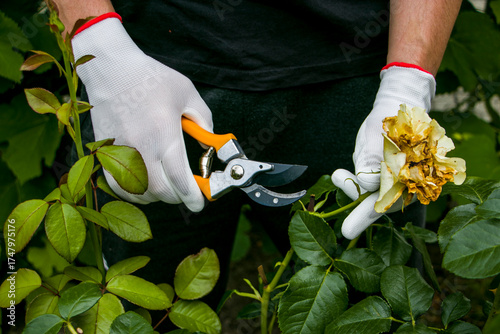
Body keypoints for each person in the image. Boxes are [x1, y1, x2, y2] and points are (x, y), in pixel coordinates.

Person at [54, 0, 462, 323]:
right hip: (143, 73)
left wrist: (408, 83)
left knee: (375, 308)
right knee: (137, 314)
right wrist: (103, 50)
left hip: (357, 78)